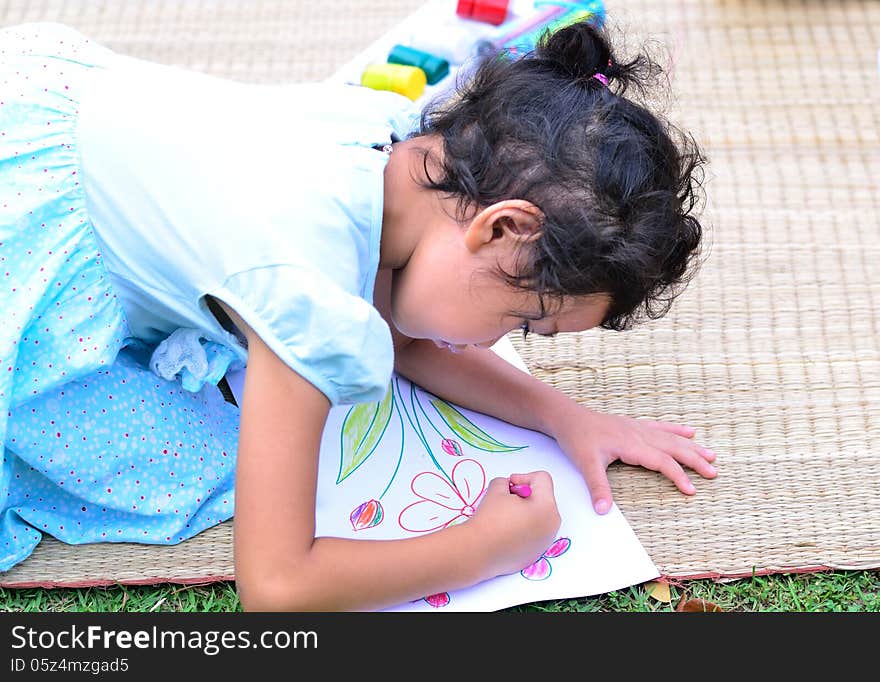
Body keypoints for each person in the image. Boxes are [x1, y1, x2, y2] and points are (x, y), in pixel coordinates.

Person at [0, 19, 715, 611]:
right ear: (498, 229)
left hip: (35, 93)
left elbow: (403, 333)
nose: (499, 342)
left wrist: (568, 418)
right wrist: (483, 547)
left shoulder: (388, 147)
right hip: (18, 228)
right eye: (524, 322)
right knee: (194, 461)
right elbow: (277, 586)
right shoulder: (305, 284)